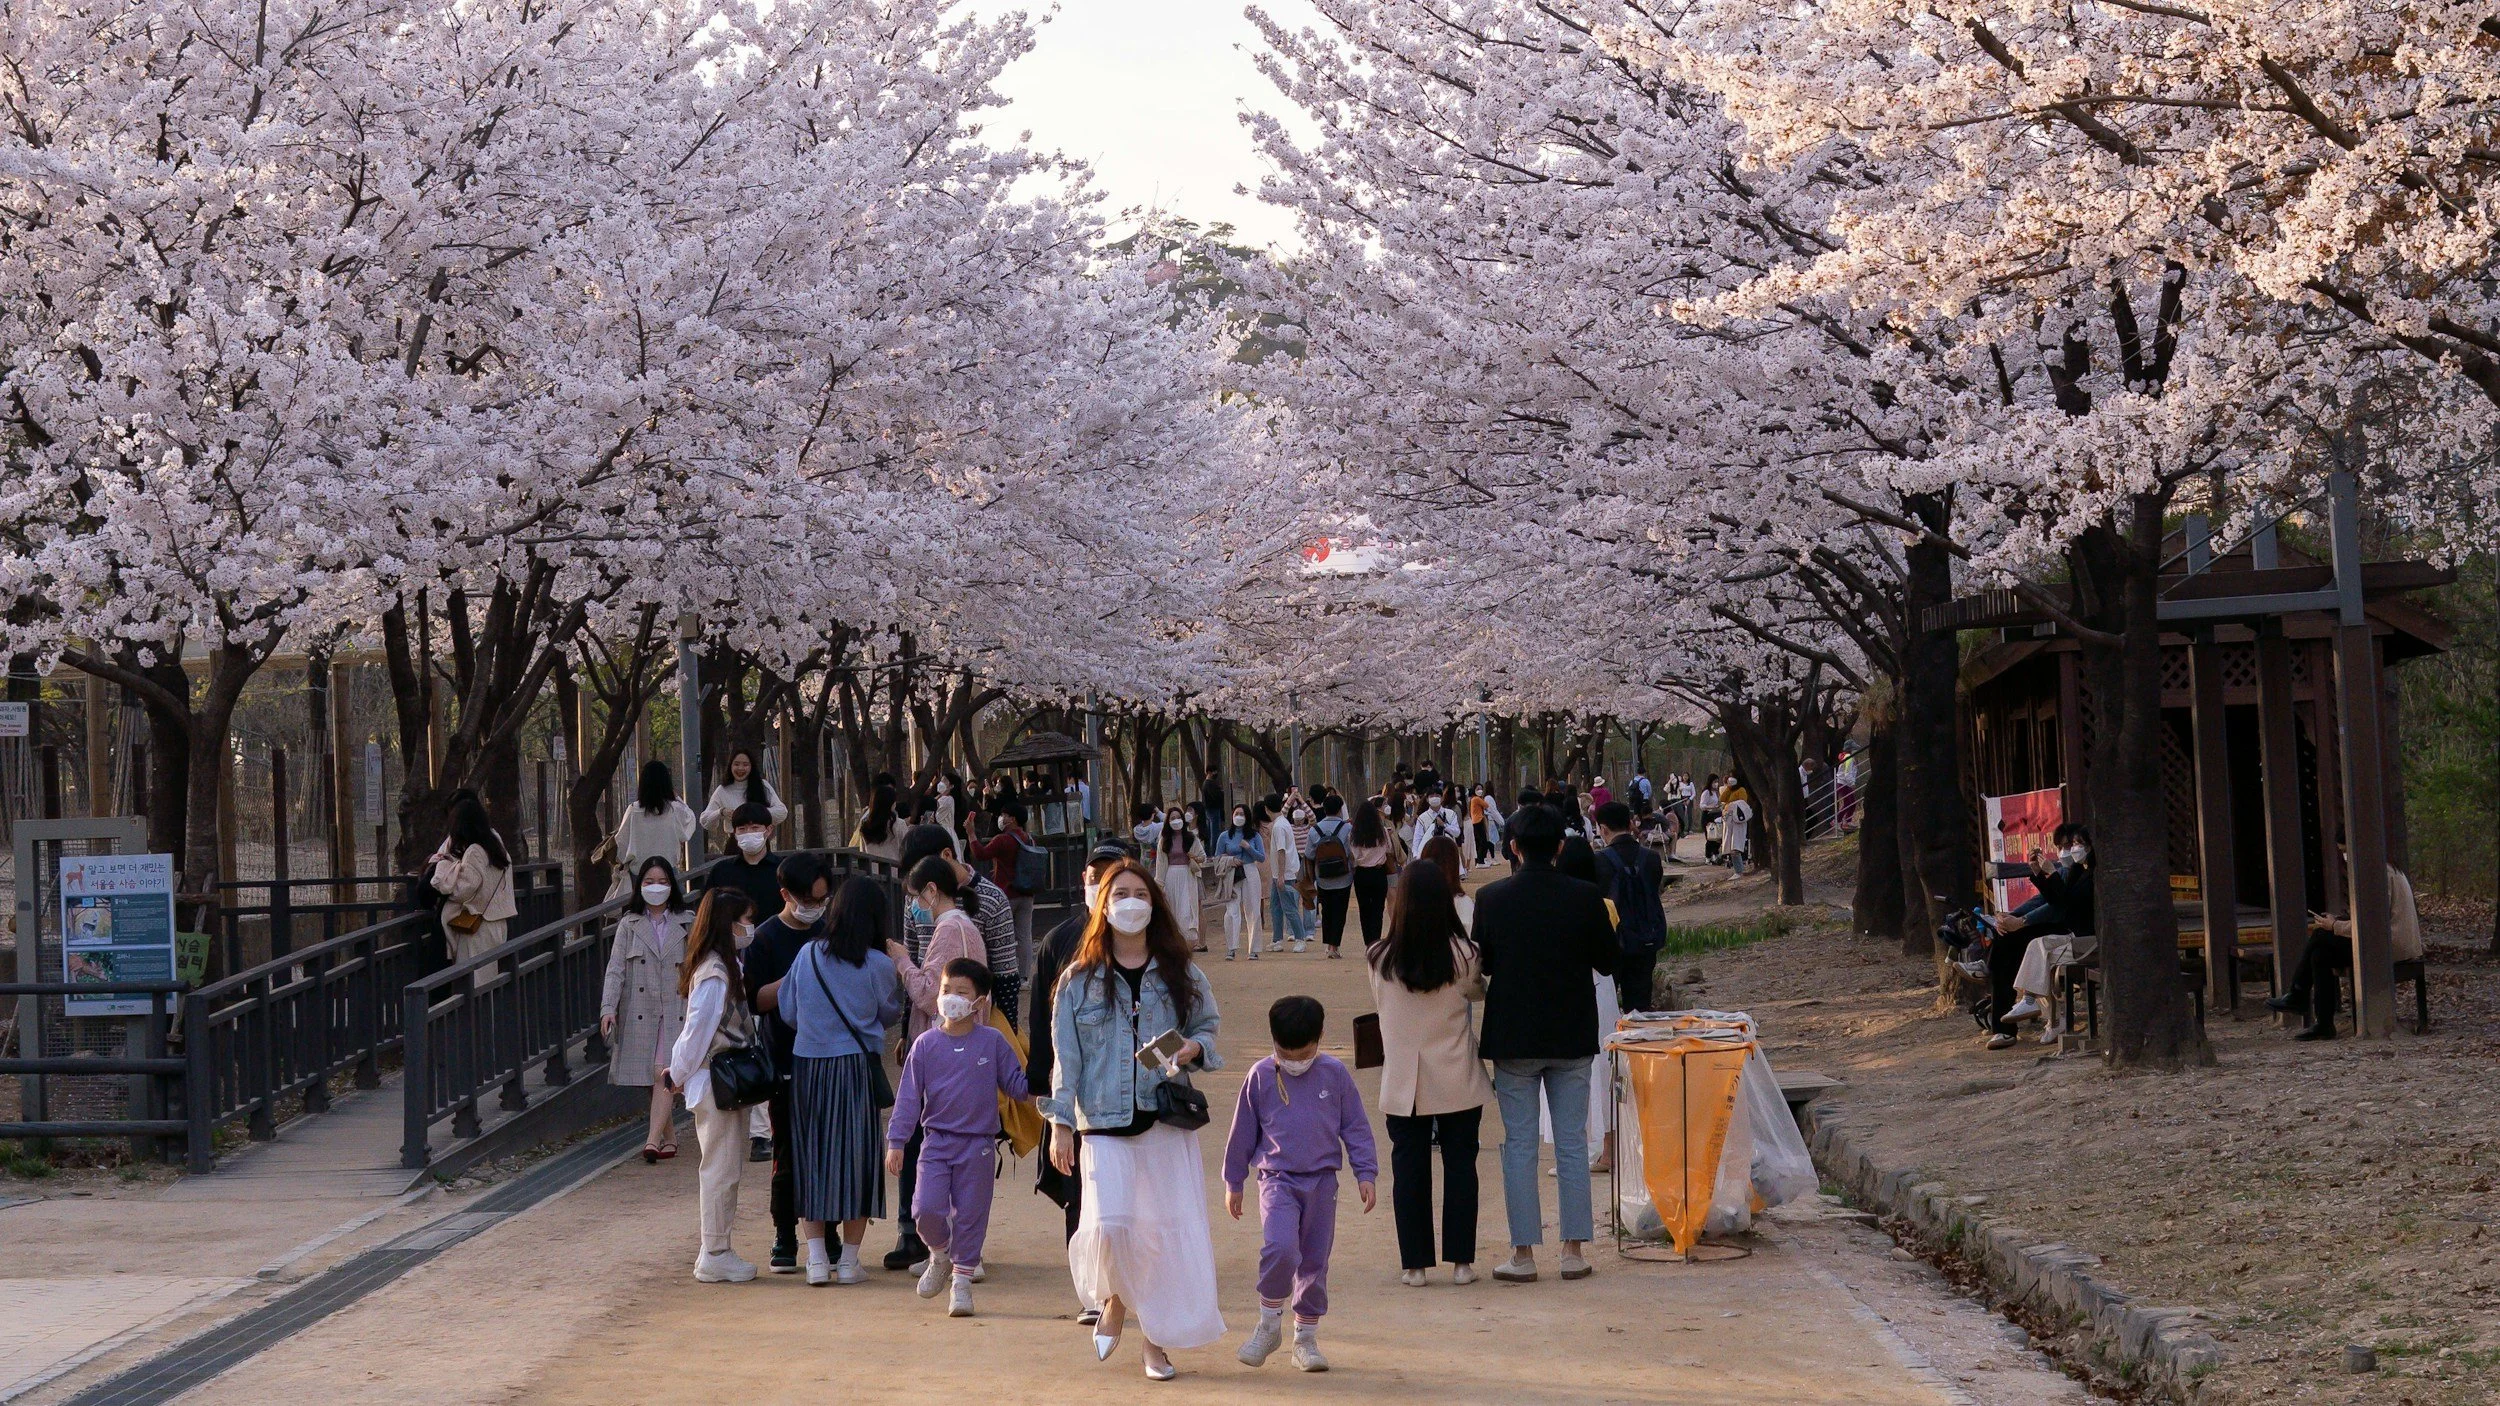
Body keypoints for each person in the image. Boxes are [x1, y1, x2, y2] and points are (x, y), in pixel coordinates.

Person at [1043, 860, 1225, 1381]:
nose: (1129, 901)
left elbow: (1209, 1028)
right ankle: (1115, 1298)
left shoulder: (1181, 970)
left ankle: (1155, 1342)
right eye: (1118, 892)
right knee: (1111, 1225)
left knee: (1162, 1234)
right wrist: (1059, 1122)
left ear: (1154, 903)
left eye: (1139, 893)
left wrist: (1195, 1047)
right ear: (1101, 903)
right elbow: (1065, 1058)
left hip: (1164, 1119)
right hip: (1101, 1120)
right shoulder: (1077, 981)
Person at [1471, 803, 1614, 1284]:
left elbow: (1483, 964)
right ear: (1559, 847)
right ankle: (1573, 1250)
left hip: (1514, 1036)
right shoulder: (1586, 897)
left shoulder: (1491, 898)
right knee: (1572, 1142)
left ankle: (1523, 1252)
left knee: (1520, 1145)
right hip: (1571, 1031)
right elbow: (1609, 960)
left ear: (1512, 846)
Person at [755, 874, 904, 1286]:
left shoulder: (807, 956)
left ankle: (817, 1260)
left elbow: (788, 1011)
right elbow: (888, 1013)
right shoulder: (878, 964)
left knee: (812, 1155)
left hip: (808, 1066)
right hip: (855, 1067)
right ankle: (849, 1261)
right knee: (857, 1159)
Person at [1223, 996, 1377, 1374]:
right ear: (1273, 1041)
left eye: (1303, 1053)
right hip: (1277, 1179)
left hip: (1323, 1181)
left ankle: (1305, 1339)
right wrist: (1234, 1181)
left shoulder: (1335, 1074)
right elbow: (1241, 1132)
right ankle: (1268, 1323)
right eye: (1285, 1054)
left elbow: (1355, 1126)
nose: (1295, 1061)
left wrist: (1365, 1173)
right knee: (1280, 1248)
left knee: (1313, 1260)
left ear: (1320, 1038)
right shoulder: (1260, 1076)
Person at [1366, 858, 1489, 1288]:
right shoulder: (1465, 954)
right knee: (1461, 1167)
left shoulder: (1378, 957)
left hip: (1403, 1081)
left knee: (1409, 1170)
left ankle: (1414, 1265)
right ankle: (1461, 1263)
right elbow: (1476, 992)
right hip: (1456, 1074)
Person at [886, 957, 1029, 1316]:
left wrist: (1047, 1082)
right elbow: (907, 1097)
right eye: (947, 989)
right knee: (925, 1208)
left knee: (971, 1213)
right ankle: (940, 1254)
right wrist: (896, 1141)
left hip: (978, 1144)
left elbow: (1016, 1084)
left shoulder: (993, 1042)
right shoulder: (924, 1045)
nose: (951, 997)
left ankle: (962, 1283)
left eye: (962, 992)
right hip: (936, 1142)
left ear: (980, 1002)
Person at [1028, 842, 1133, 1278]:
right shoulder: (1060, 942)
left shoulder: (1148, 942)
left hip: (1131, 1087)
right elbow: (1041, 1017)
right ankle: (1091, 1282)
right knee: (1079, 1186)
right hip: (1076, 1089)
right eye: (1095, 877)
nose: (1102, 886)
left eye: (1113, 878)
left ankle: (1129, 1277)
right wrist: (1044, 1086)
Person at [739, 851, 833, 1274]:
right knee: (787, 1150)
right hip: (785, 1057)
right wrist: (798, 974)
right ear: (786, 895)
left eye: (822, 898)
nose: (816, 907)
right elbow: (755, 1000)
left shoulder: (832, 931)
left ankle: (829, 1231)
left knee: (829, 1149)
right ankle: (784, 1233)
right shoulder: (764, 938)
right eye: (809, 899)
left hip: (831, 1058)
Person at [663, 889, 759, 1282]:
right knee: (720, 1168)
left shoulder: (720, 967)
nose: (748, 928)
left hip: (720, 1081)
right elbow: (696, 1031)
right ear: (727, 924)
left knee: (723, 1166)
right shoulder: (716, 974)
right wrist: (676, 1073)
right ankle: (716, 1251)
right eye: (743, 921)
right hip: (717, 1081)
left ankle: (714, 1248)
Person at [2269, 859, 2423, 1041]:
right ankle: (2323, 1023)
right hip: (2387, 941)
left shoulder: (2379, 873)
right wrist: (2339, 921)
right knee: (2320, 955)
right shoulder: (2388, 868)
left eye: (2346, 851)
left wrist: (2335, 925)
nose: (2344, 857)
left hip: (2391, 946)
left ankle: (2298, 994)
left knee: (2320, 936)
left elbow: (2372, 923)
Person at [604, 856, 691, 1162]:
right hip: (639, 1008)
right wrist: (608, 1007)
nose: (656, 888)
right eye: (649, 882)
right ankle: (669, 1137)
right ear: (640, 886)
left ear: (673, 885)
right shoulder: (629, 924)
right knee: (650, 1075)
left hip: (675, 1007)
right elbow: (615, 969)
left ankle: (651, 1140)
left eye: (663, 882)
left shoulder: (686, 921)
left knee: (661, 1072)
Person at [1988, 824, 2095, 1048]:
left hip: (2071, 931)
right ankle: (2004, 1026)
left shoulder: (2090, 872)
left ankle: (2034, 1005)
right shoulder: (2073, 869)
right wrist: (2014, 915)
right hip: (2065, 929)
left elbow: (2062, 906)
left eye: (2074, 845)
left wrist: (2022, 921)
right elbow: (2047, 900)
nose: (2068, 850)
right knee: (2005, 939)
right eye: (2064, 846)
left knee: (2032, 944)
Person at [427, 790, 517, 974]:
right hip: (497, 922)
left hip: (477, 928)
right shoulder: (495, 845)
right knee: (490, 981)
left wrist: (445, 868)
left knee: (474, 984)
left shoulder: (474, 851)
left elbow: (463, 891)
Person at [1592, 802, 1667, 1012]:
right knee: (1639, 1008)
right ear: (1630, 824)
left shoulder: (1598, 861)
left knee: (1607, 1007)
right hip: (1646, 939)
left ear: (1603, 829)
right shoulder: (1651, 858)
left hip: (1612, 942)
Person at [970, 800, 1040, 984]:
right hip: (1027, 894)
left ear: (1013, 819)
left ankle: (1002, 974)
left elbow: (980, 854)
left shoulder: (1002, 840)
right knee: (1025, 936)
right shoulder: (1030, 839)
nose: (1002, 818)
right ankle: (1025, 977)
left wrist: (971, 833)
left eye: (1005, 815)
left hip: (1005, 895)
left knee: (1001, 935)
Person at [615, 761, 698, 885]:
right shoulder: (674, 809)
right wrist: (677, 798)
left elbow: (621, 842)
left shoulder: (633, 810)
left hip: (639, 875)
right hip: (668, 873)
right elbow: (690, 821)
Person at [714, 801, 785, 923]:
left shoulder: (783, 870)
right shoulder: (721, 870)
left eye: (755, 828)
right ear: (735, 833)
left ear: (768, 830)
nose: (748, 833)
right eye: (742, 829)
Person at [699, 747, 788, 842]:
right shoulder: (723, 790)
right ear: (730, 766)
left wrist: (756, 813)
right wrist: (721, 812)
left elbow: (782, 812)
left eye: (745, 765)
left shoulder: (763, 785)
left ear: (751, 767)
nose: (740, 768)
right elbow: (705, 820)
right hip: (735, 842)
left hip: (759, 841)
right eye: (736, 764)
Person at [1305, 795, 1356, 958]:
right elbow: (1350, 852)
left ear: (1324, 809)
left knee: (1326, 911)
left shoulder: (1314, 829)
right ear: (1340, 809)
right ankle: (1335, 946)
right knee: (1340, 912)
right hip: (1344, 877)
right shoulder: (1347, 828)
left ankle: (1328, 945)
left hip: (1323, 878)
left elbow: (1309, 853)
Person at [1216, 804, 1269, 961]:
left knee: (1253, 909)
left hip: (1250, 871)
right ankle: (1231, 948)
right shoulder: (1224, 836)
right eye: (1236, 813)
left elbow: (1261, 857)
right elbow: (1217, 857)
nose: (1238, 816)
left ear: (1247, 817)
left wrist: (1248, 848)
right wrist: (1230, 860)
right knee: (1231, 911)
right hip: (1232, 874)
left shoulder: (1254, 836)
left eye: (1242, 814)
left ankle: (1253, 949)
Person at [1153, 804, 1206, 952]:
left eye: (1178, 817)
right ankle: (1174, 944)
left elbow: (1203, 857)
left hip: (1187, 877)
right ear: (1168, 822)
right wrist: (1159, 886)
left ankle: (1188, 942)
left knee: (1186, 911)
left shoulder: (1191, 838)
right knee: (1172, 910)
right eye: (1173, 818)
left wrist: (1194, 858)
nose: (1176, 820)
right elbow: (1161, 864)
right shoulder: (1164, 840)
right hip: (1170, 876)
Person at [1263, 796, 1309, 952]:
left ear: (1266, 809)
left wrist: (1281, 875)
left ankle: (1300, 938)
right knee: (1275, 907)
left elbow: (1281, 851)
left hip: (1286, 874)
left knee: (1289, 908)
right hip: (1279, 874)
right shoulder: (1282, 823)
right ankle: (1277, 940)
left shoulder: (1279, 827)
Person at [1348, 800, 1394, 949]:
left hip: (1361, 874)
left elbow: (1353, 854)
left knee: (1364, 909)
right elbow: (1389, 850)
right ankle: (1375, 940)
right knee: (1378, 908)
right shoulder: (1382, 832)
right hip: (1379, 873)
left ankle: (1368, 942)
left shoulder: (1354, 834)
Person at [851, 781, 903, 863]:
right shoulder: (899, 824)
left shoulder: (866, 826)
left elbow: (863, 852)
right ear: (891, 803)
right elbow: (907, 851)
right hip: (895, 872)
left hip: (873, 873)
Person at [1722, 788, 1754, 876]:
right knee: (1734, 848)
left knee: (1735, 849)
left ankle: (1739, 871)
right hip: (1733, 826)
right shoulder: (1733, 805)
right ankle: (1739, 870)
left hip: (1736, 826)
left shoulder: (1739, 805)